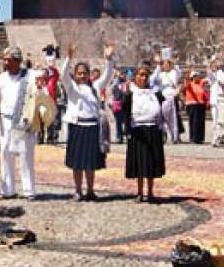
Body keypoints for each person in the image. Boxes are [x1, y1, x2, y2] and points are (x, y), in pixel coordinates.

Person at [0, 46, 49, 200]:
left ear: (17, 61)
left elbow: (43, 96)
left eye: (8, 60)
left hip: (24, 121)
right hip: (6, 122)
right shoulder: (1, 78)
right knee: (5, 155)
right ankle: (8, 190)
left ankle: (29, 191)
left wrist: (41, 88)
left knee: (25, 156)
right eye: (4, 59)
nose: (5, 63)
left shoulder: (31, 76)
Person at [59, 43, 116, 200]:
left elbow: (108, 75)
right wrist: (68, 58)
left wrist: (109, 59)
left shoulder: (96, 87)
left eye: (85, 73)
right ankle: (78, 190)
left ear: (89, 74)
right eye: (79, 73)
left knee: (90, 163)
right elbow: (63, 74)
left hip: (92, 127)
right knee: (77, 163)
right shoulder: (71, 87)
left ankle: (90, 190)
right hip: (77, 127)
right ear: (75, 75)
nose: (82, 76)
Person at [124, 65, 165, 203]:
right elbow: (125, 109)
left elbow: (164, 107)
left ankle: (151, 191)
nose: (144, 78)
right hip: (138, 130)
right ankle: (140, 192)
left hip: (153, 128)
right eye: (141, 75)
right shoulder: (131, 92)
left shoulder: (154, 92)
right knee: (140, 162)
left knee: (151, 161)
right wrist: (127, 94)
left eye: (146, 75)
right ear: (135, 77)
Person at [149, 56, 182, 143]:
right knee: (161, 117)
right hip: (162, 96)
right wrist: (158, 65)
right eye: (164, 64)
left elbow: (179, 73)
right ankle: (163, 134)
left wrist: (173, 63)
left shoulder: (173, 72)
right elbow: (152, 79)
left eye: (168, 64)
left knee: (173, 118)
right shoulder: (160, 74)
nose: (166, 66)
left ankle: (174, 137)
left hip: (172, 96)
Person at [183, 69, 210, 145]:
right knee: (194, 122)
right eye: (195, 76)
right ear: (192, 77)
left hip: (200, 104)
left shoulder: (200, 83)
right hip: (192, 104)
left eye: (197, 76)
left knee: (201, 122)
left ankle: (200, 138)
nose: (196, 77)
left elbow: (208, 78)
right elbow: (186, 81)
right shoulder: (189, 84)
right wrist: (188, 71)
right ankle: (193, 138)